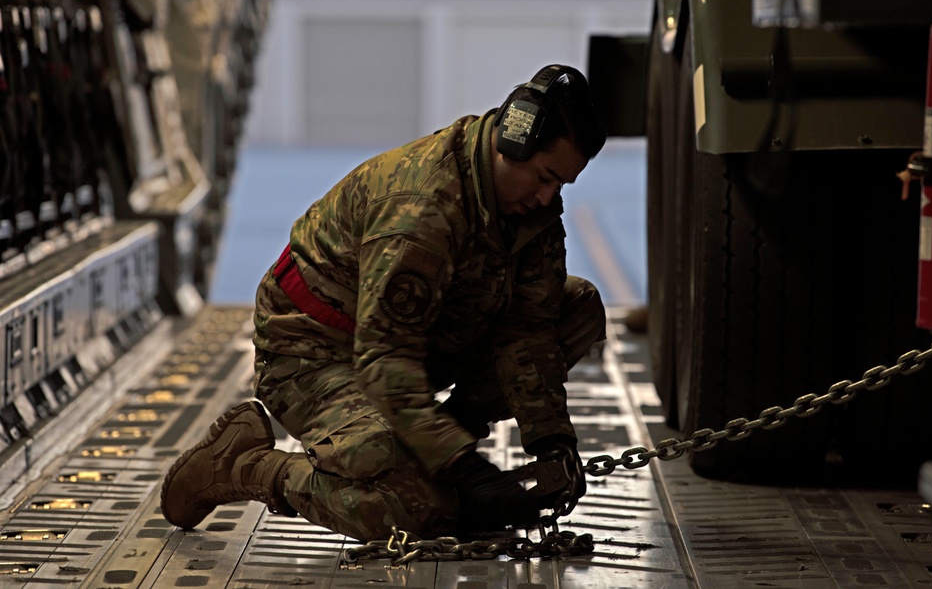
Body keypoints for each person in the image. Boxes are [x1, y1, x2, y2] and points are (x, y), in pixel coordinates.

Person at [160, 64, 608, 541]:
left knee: (575, 305)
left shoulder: (530, 210)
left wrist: (551, 441)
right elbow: (384, 357)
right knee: (418, 511)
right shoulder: (423, 210)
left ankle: (426, 442)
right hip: (316, 353)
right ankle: (244, 464)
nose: (547, 196)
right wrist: (460, 466)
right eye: (544, 177)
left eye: (561, 184)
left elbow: (529, 329)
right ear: (511, 144)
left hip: (416, 338)